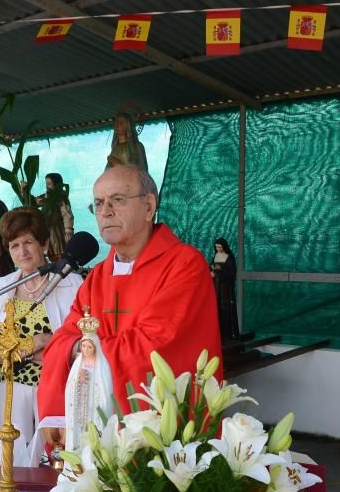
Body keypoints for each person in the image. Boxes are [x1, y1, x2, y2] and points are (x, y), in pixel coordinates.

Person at [37, 165, 222, 426]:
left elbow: (152, 348)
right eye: (98, 203)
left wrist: (82, 349)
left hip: (160, 429)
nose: (105, 211)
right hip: (97, 427)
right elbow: (63, 341)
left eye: (118, 200)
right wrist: (75, 347)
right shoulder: (98, 276)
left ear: (149, 207)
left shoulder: (184, 264)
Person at [0, 207, 82, 466]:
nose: (22, 251)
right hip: (7, 392)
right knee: (9, 466)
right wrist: (36, 343)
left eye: (28, 242)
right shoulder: (0, 287)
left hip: (52, 389)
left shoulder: (72, 285)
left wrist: (23, 350)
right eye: (14, 245)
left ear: (45, 244)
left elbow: (79, 344)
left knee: (56, 461)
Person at [64, 310, 114, 453]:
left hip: (95, 407)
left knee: (94, 437)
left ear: (95, 347)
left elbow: (105, 389)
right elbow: (70, 387)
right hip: (80, 409)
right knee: (79, 436)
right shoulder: (78, 364)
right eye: (84, 346)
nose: (86, 350)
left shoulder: (102, 366)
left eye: (89, 347)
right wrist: (77, 381)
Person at [36, 172, 74, 261]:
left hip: (57, 230)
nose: (47, 186)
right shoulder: (46, 196)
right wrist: (24, 190)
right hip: (48, 229)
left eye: (49, 184)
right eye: (46, 184)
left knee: (58, 251)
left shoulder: (61, 197)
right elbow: (35, 202)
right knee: (51, 252)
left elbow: (67, 214)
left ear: (56, 184)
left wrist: (68, 230)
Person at [210, 237, 240, 342]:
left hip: (225, 288)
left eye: (220, 247)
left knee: (225, 308)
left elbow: (232, 273)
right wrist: (212, 272)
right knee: (216, 307)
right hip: (216, 286)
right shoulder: (216, 256)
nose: (218, 249)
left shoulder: (229, 258)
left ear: (224, 246)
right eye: (216, 247)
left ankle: (227, 335)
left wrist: (219, 273)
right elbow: (213, 267)